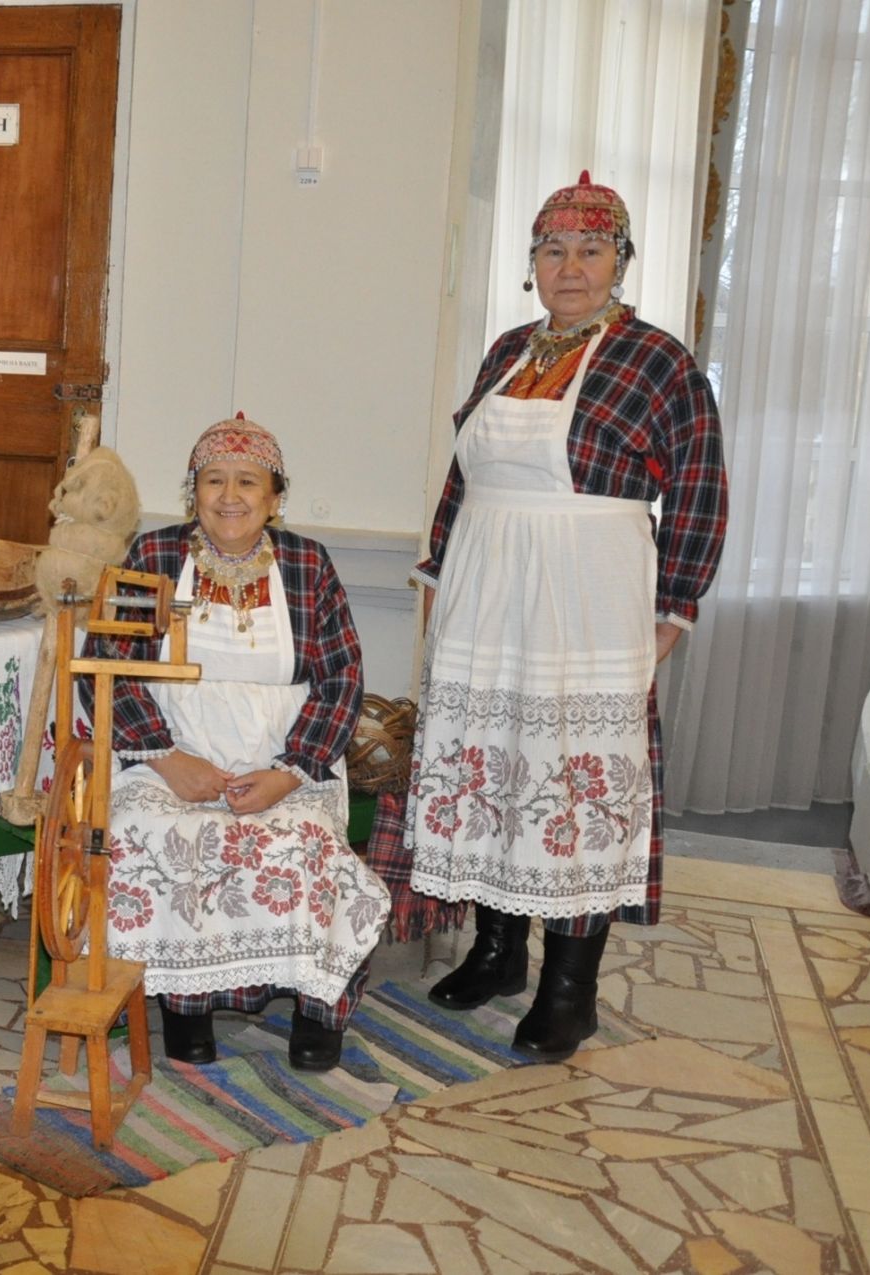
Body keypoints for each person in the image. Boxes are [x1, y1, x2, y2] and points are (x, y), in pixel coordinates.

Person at [406, 171, 728, 1061]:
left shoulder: (660, 360)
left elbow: (700, 490)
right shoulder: (507, 349)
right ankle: (499, 950)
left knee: (575, 786)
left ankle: (568, 988)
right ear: (532, 265)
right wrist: (437, 576)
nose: (571, 266)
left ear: (620, 262)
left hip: (589, 602)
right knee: (499, 770)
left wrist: (673, 615)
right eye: (553, 250)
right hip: (487, 595)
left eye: (591, 250)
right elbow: (462, 481)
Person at [82, 417, 390, 1073]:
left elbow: (341, 679)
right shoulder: (154, 556)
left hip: (284, 764)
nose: (230, 495)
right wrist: (165, 759)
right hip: (168, 760)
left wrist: (289, 772)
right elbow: (106, 660)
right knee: (142, 833)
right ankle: (183, 1003)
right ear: (193, 492)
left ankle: (317, 1006)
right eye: (213, 479)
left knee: (304, 846)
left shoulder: (307, 564)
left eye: (247, 481)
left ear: (275, 497)